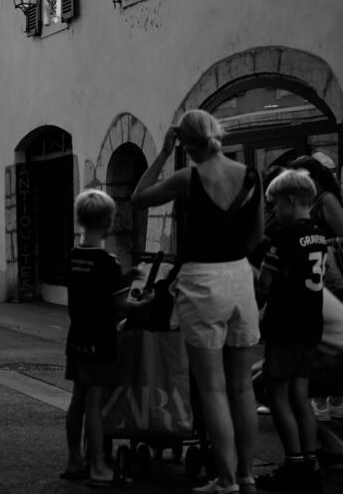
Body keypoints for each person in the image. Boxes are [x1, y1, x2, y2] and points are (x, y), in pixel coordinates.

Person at [132, 110, 264, 494]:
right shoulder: (252, 176)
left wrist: (161, 153)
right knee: (243, 386)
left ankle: (225, 479)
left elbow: (139, 197)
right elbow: (256, 239)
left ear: (187, 144)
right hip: (240, 277)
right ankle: (247, 476)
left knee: (212, 388)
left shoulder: (188, 177)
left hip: (202, 280)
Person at [63, 190, 151, 488]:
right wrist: (143, 301)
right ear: (110, 221)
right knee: (96, 404)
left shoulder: (75, 256)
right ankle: (99, 466)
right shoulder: (107, 261)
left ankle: (75, 460)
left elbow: (91, 290)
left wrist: (124, 276)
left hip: (76, 338)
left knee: (78, 400)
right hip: (100, 340)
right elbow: (120, 306)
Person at [254, 170, 329, 493]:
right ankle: (311, 462)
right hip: (311, 324)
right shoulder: (317, 233)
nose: (272, 213)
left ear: (288, 201)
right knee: (301, 394)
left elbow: (265, 284)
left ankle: (294, 463)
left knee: (276, 393)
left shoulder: (283, 238)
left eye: (273, 206)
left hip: (285, 325)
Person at [290, 156, 343, 425]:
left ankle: (326, 400)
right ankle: (330, 399)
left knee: (324, 339)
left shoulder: (326, 201)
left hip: (328, 278)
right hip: (319, 276)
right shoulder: (314, 202)